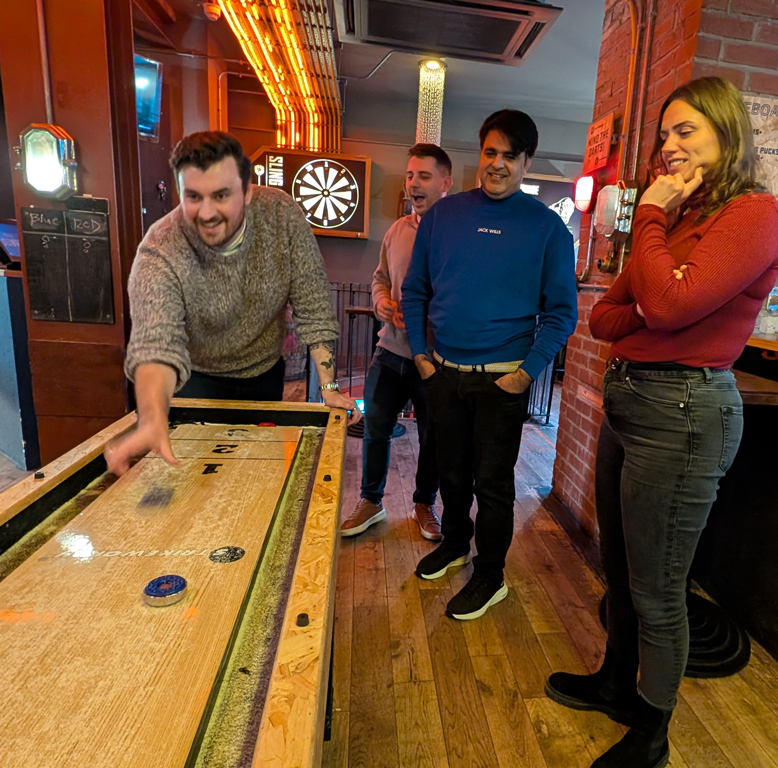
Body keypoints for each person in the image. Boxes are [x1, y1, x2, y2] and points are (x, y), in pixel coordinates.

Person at [545, 77, 778, 768]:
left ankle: (652, 729)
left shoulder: (753, 214)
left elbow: (668, 299)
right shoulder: (683, 220)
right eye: (665, 134)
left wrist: (650, 228)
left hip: (683, 416)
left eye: (687, 131)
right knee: (619, 571)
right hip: (634, 406)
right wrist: (662, 288)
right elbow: (609, 319)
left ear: (726, 132)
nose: (670, 147)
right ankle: (620, 682)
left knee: (658, 590)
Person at [402, 109, 578, 620]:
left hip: (503, 382)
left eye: (510, 156)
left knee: (493, 485)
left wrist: (524, 374)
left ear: (526, 163)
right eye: (490, 153)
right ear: (481, 155)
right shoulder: (443, 216)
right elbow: (414, 291)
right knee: (451, 475)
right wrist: (420, 354)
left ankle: (490, 574)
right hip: (443, 373)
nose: (497, 164)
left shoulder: (547, 230)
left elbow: (561, 313)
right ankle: (455, 543)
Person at [106, 131, 357, 476]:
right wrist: (151, 417)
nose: (206, 213)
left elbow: (313, 307)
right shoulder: (160, 249)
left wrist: (329, 388)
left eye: (221, 195)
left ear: (248, 191)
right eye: (193, 196)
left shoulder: (281, 215)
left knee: (253, 475)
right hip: (197, 379)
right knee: (195, 479)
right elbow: (156, 345)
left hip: (264, 372)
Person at [341, 144, 453, 539]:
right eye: (409, 176)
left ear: (445, 182)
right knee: (375, 429)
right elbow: (380, 278)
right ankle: (371, 501)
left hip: (436, 360)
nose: (413, 184)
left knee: (433, 438)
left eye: (423, 176)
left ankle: (425, 505)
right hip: (389, 352)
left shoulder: (458, 234)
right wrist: (382, 303)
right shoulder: (396, 230)